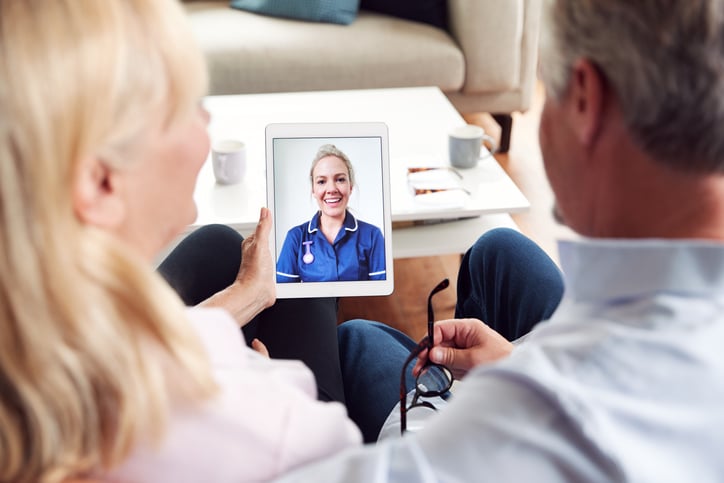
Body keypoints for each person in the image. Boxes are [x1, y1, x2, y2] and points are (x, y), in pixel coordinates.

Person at [275, 0, 724, 480]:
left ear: (584, 99)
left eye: (546, 87)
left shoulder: (526, 423)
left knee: (360, 339)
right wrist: (516, 358)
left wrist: (263, 397)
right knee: (499, 250)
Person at [0, 1, 361, 482]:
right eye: (187, 107)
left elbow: (123, 352)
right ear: (99, 182)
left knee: (218, 244)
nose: (207, 127)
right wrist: (258, 380)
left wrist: (244, 297)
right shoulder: (258, 422)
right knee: (364, 344)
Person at [276, 144, 387, 282]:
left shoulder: (372, 236)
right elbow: (284, 297)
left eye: (340, 179)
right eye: (321, 181)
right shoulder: (295, 238)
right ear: (313, 190)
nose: (331, 189)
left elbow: (381, 297)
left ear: (350, 186)